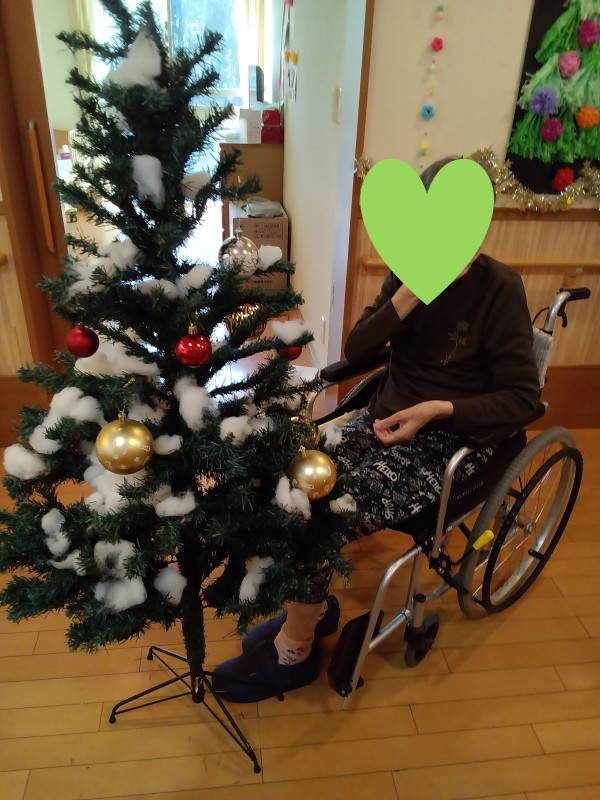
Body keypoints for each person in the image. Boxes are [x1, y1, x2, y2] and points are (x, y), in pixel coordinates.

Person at [212, 157, 540, 703]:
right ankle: (311, 611)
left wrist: (437, 410)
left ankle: (294, 654)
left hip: (446, 442)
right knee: (291, 483)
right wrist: (410, 292)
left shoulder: (499, 289)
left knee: (324, 517)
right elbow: (359, 347)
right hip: (381, 417)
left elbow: (523, 398)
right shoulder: (407, 270)